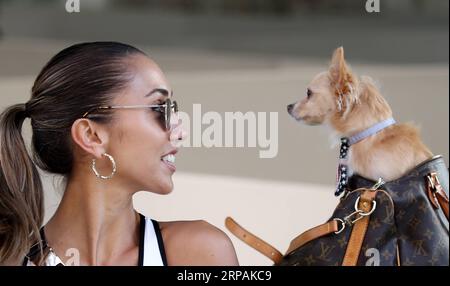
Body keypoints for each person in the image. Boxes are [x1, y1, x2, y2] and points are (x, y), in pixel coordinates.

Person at [0, 42, 239, 266]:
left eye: (172, 109)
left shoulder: (200, 253)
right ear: (91, 136)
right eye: (159, 108)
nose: (180, 131)